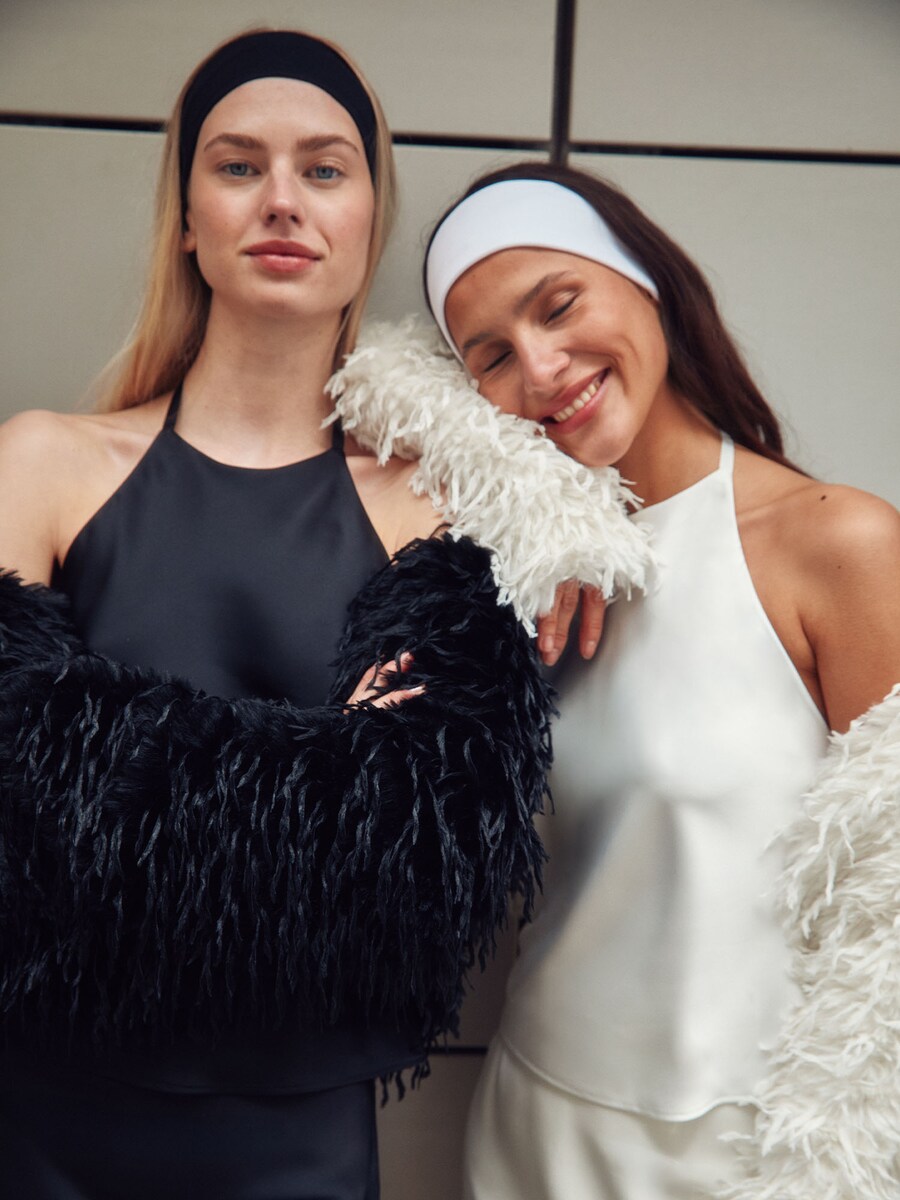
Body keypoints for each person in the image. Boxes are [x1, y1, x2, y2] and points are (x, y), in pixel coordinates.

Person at [0, 38, 652, 1199]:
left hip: (297, 1143)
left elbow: (416, 876)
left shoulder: (452, 506)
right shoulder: (42, 462)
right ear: (187, 218)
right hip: (44, 1119)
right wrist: (323, 770)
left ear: (367, 218)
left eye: (324, 169)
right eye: (237, 166)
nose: (282, 201)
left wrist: (111, 791)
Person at [418, 162, 900, 1199]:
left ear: (649, 284)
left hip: (763, 1155)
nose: (541, 367)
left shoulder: (838, 545)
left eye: (560, 306)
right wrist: (530, 516)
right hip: (538, 1129)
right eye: (490, 356)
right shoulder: (517, 583)